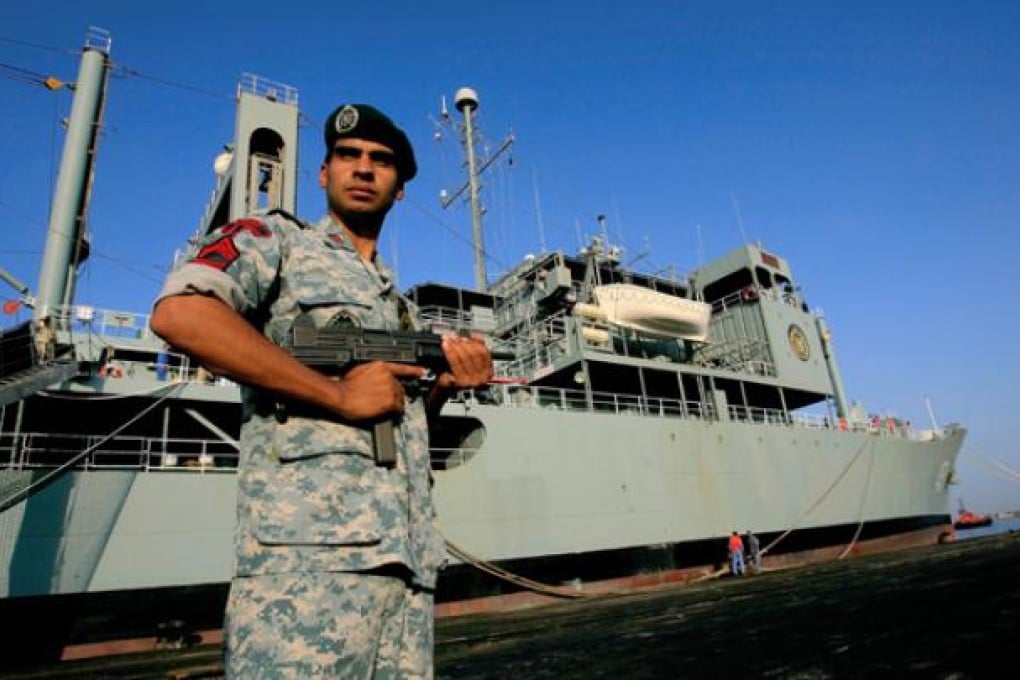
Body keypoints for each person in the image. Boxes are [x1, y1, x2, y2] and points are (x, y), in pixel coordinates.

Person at [150, 102, 493, 678]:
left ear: (399, 189)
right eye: (348, 156)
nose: (364, 169)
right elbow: (181, 314)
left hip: (405, 573)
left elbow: (395, 433)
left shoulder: (400, 309)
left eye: (381, 162)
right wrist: (337, 396)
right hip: (307, 572)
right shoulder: (275, 240)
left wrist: (443, 390)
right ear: (324, 173)